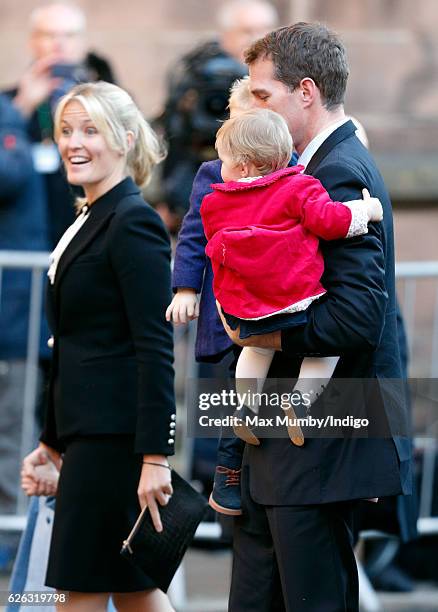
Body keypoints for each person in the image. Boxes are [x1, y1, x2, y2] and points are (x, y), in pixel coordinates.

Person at [215, 23, 412, 611]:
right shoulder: (303, 168)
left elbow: (358, 317)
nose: (254, 109)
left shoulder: (336, 172)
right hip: (283, 447)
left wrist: (259, 331)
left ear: (306, 92)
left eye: (263, 95)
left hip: (320, 444)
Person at [21, 81, 176, 611]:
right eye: (66, 131)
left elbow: (155, 347)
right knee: (135, 595)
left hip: (118, 446)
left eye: (91, 130)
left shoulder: (133, 222)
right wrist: (52, 442)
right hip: (91, 439)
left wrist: (156, 455)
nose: (74, 142)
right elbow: (75, 344)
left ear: (125, 139)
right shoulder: (89, 218)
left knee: (83, 592)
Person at [200, 108, 382, 514]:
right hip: (294, 297)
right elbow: (331, 221)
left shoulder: (214, 204)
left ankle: (245, 407)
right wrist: (366, 212)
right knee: (323, 350)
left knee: (255, 350)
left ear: (244, 166)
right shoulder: (301, 187)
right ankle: (300, 404)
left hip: (246, 303)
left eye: (225, 162)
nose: (221, 170)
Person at [5, 0, 118, 248]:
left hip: (88, 236)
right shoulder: (9, 103)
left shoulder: (110, 98)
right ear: (32, 42)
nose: (59, 43)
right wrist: (22, 107)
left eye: (69, 35)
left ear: (84, 43)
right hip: (25, 240)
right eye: (49, 35)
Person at [155, 0, 278, 228]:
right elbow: (176, 139)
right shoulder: (198, 77)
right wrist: (167, 198)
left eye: (264, 29)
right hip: (199, 180)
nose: (257, 38)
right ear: (225, 36)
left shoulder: (282, 81)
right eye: (247, 31)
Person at [0, 94, 50, 573]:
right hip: (15, 309)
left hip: (13, 316)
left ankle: (12, 540)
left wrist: (17, 111)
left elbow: (8, 176)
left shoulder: (7, 114)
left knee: (13, 431)